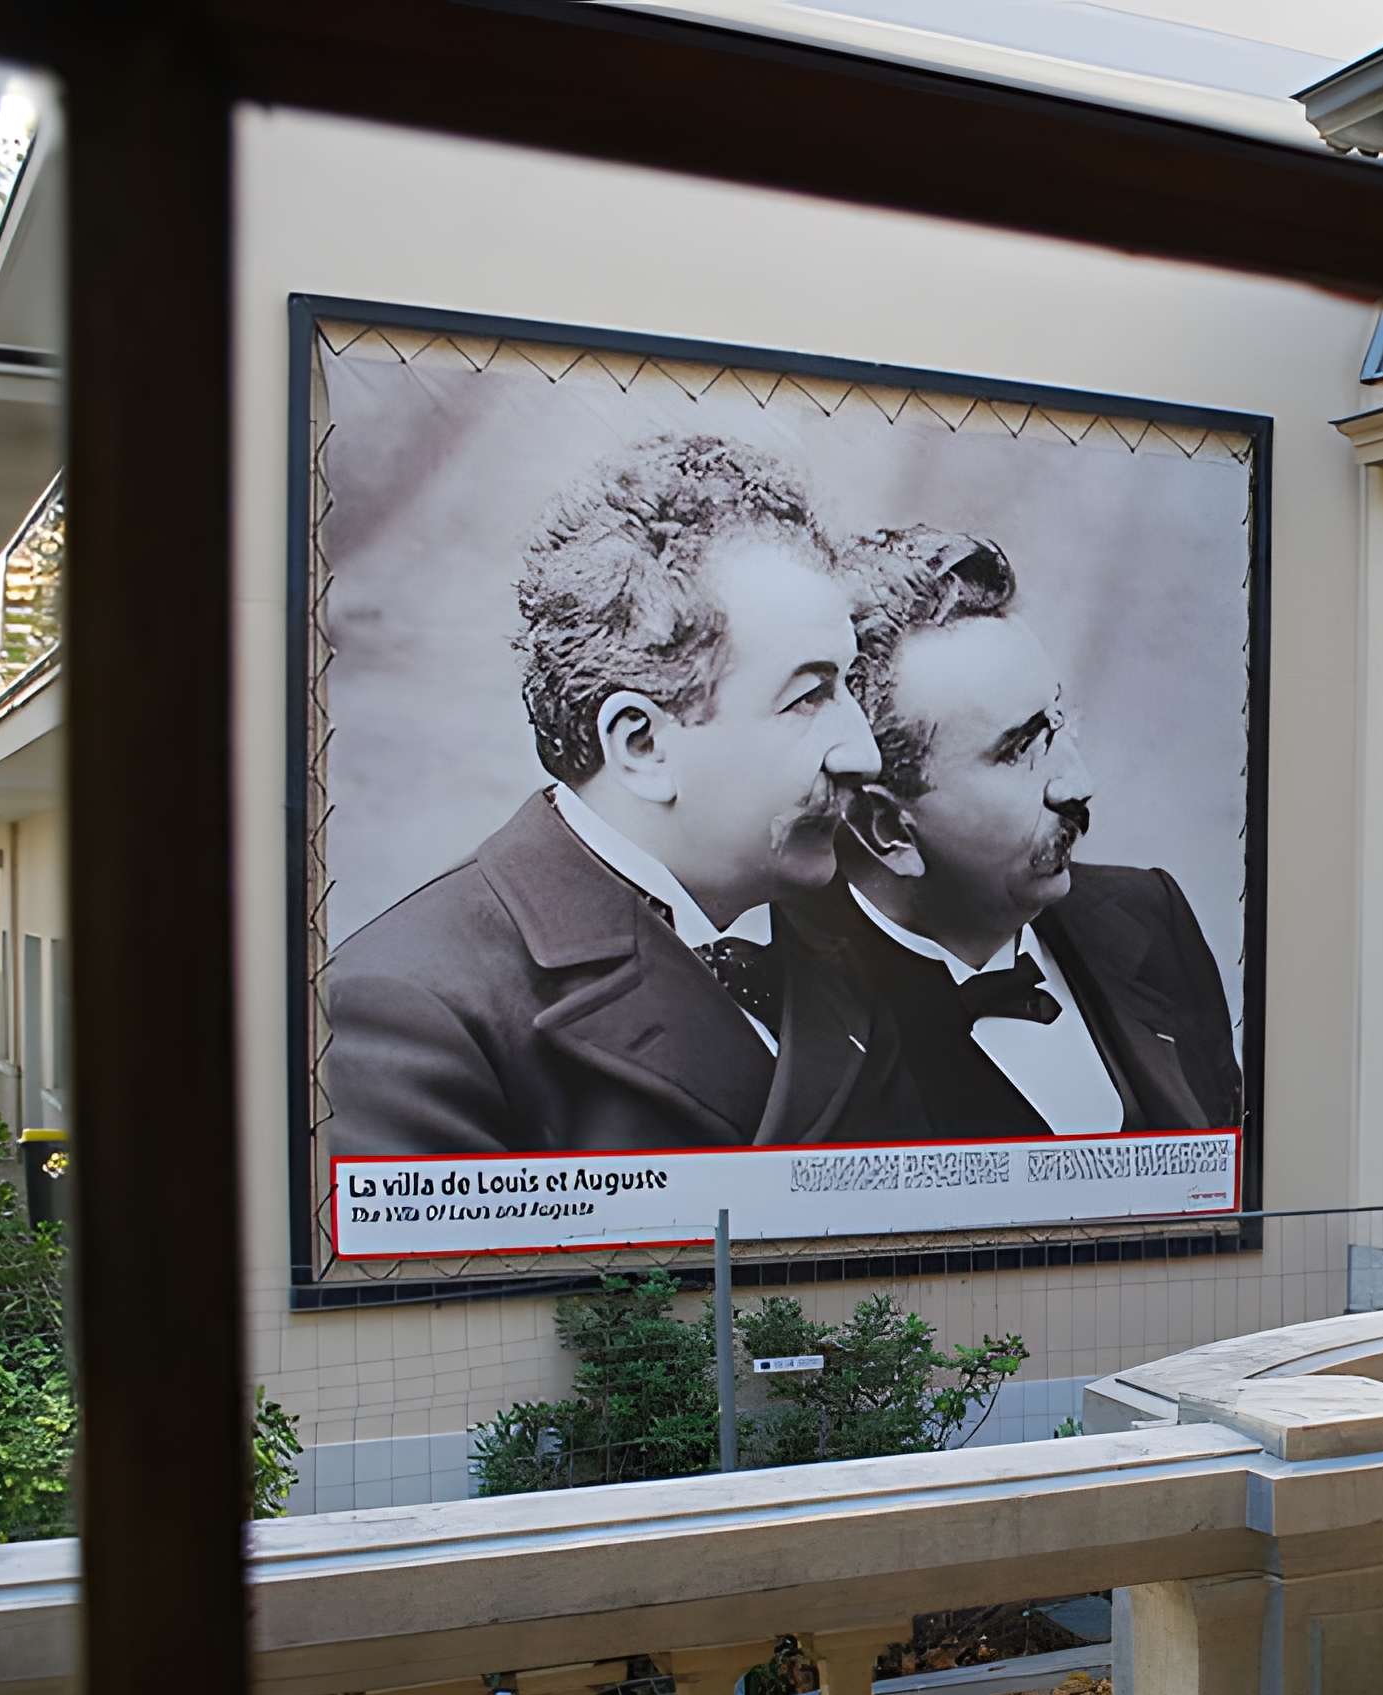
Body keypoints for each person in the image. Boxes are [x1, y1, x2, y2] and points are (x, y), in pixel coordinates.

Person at [319, 433, 923, 1163]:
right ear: (642, 746)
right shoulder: (408, 1011)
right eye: (807, 697)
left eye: (848, 686)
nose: (863, 752)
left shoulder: (871, 937)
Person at [831, 526, 1240, 1138]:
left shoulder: (1150, 915)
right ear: (887, 828)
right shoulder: (803, 1020)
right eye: (1021, 748)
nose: (1079, 784)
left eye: (1058, 720)